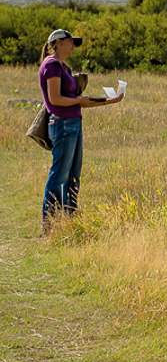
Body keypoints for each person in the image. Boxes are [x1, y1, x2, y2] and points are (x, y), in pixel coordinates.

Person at [39, 29, 124, 229]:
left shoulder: (65, 67)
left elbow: (78, 103)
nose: (73, 46)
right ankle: (50, 224)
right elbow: (55, 99)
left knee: (73, 175)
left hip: (73, 123)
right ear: (58, 43)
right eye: (70, 42)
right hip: (62, 124)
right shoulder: (51, 65)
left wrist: (111, 101)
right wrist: (80, 100)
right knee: (59, 174)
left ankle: (71, 221)